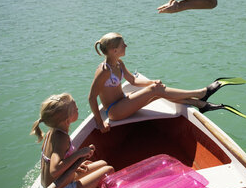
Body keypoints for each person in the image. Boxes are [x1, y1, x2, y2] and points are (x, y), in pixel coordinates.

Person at [88, 32, 237, 133]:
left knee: (157, 93)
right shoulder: (104, 71)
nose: (126, 46)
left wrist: (151, 82)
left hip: (123, 102)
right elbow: (91, 97)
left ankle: (200, 104)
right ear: (114, 50)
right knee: (155, 91)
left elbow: (132, 80)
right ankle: (201, 93)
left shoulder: (119, 63)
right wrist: (100, 123)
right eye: (123, 45)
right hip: (114, 111)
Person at [30, 93, 114, 188]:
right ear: (67, 119)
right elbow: (54, 170)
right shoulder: (62, 138)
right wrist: (80, 153)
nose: (78, 109)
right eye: (75, 109)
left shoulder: (52, 132)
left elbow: (56, 161)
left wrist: (76, 164)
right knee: (109, 170)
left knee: (103, 163)